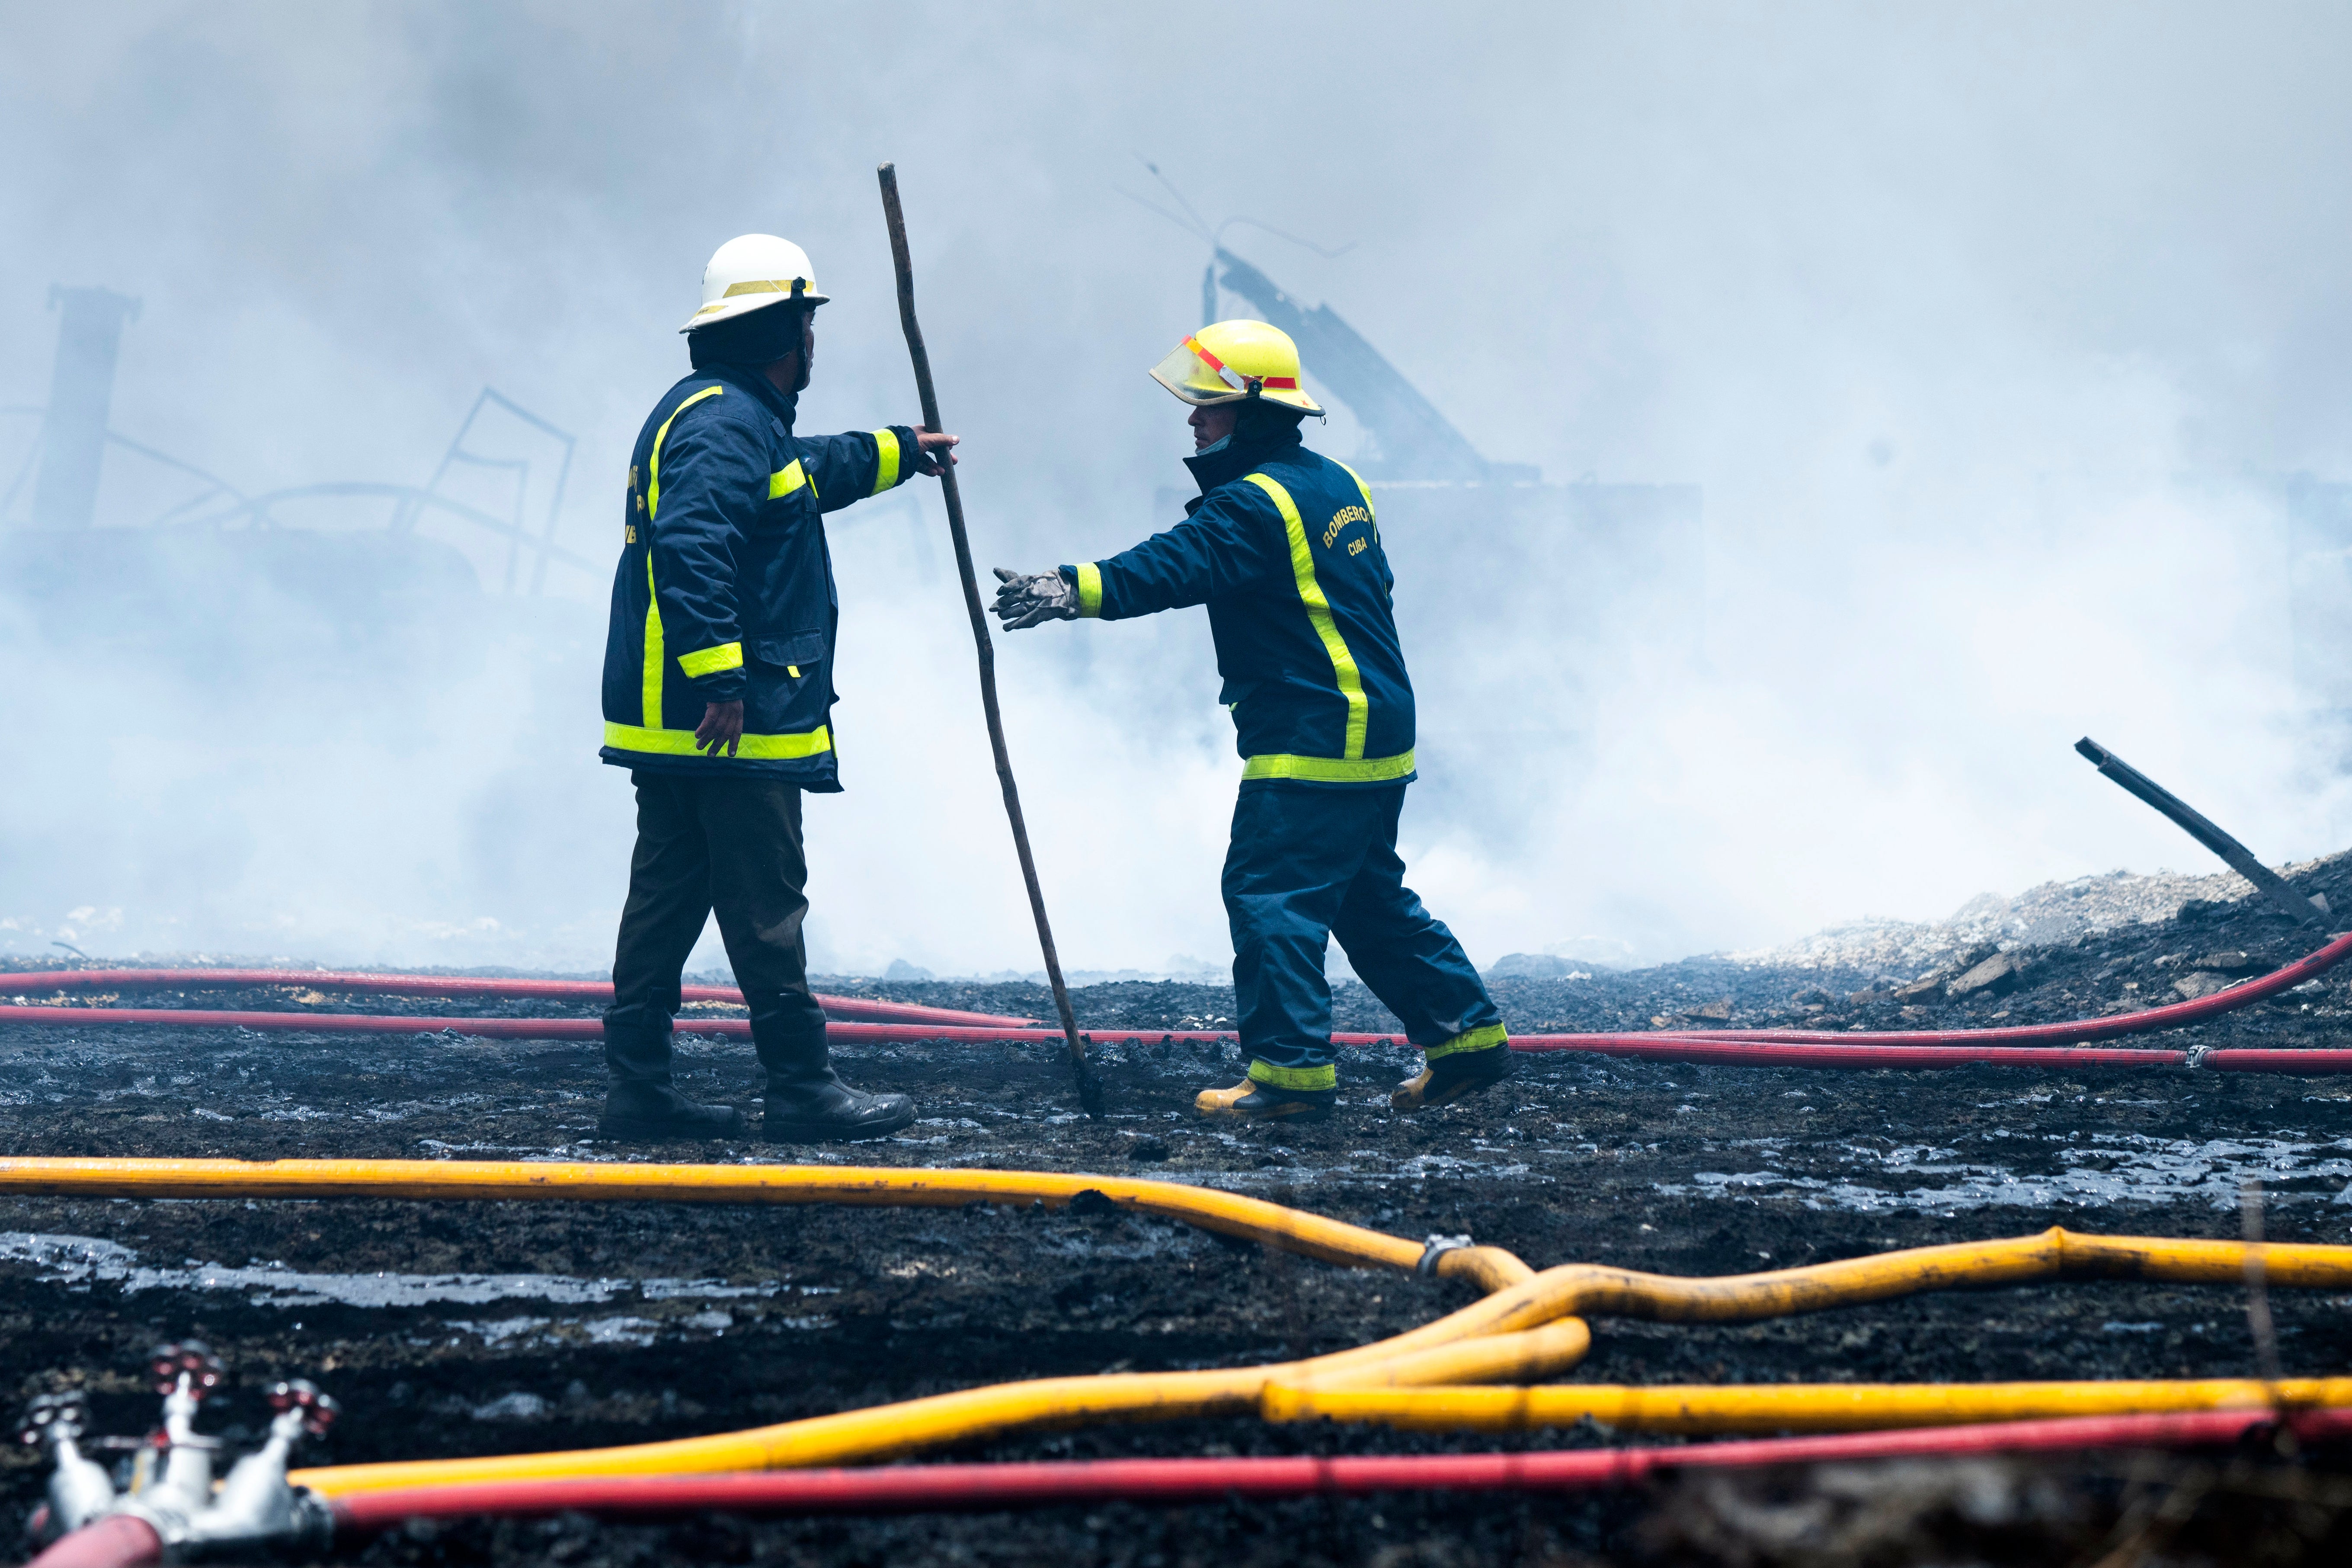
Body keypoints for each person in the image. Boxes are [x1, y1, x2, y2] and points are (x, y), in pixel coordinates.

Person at [989, 320, 1510, 1122]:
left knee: (1270, 893)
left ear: (1254, 409)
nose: (1193, 422)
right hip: (1377, 727)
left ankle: (1289, 1077)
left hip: (1313, 733)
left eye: (1208, 406)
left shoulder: (1253, 504)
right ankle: (1467, 1040)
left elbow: (1173, 564)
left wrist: (1070, 586)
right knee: (1367, 897)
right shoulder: (1341, 484)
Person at [598, 233, 957, 1142]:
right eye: (806, 321)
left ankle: (637, 1090)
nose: (813, 340)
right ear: (777, 330)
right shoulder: (726, 424)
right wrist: (721, 675)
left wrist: (898, 450)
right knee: (765, 907)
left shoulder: (728, 416)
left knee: (664, 903)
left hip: (677, 728)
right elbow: (693, 543)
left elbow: (801, 479)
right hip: (728, 725)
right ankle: (801, 1087)